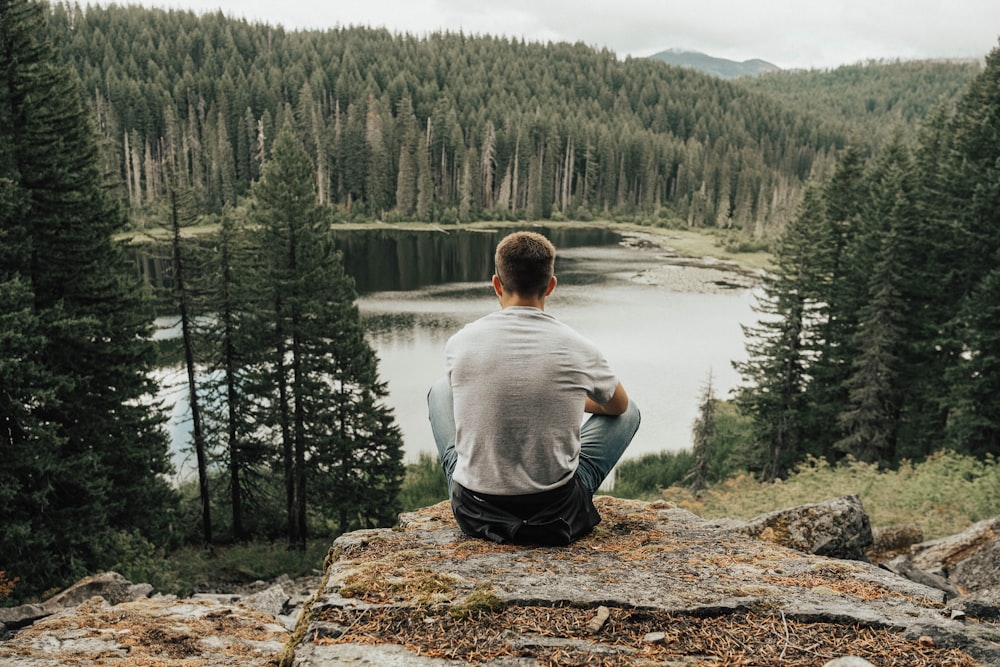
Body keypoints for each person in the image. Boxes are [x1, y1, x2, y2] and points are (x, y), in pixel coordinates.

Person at [427, 230, 640, 545]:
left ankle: (475, 482)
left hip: (475, 509)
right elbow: (619, 408)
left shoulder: (460, 342)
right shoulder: (578, 347)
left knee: (440, 390)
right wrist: (572, 399)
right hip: (557, 511)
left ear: (497, 284)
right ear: (551, 286)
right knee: (631, 412)